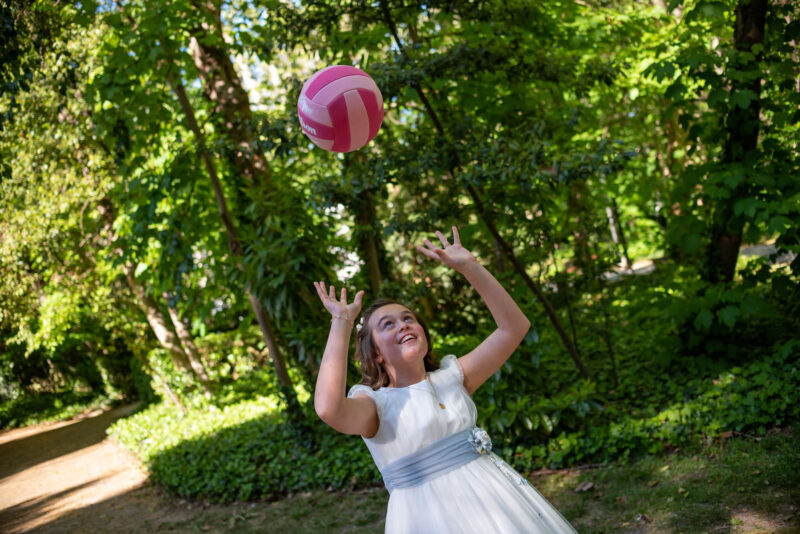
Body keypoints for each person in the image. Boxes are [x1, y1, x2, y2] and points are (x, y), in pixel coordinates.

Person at [313, 226, 577, 533]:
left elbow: (514, 327)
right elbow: (329, 409)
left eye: (408, 318)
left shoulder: (452, 378)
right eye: (388, 324)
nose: (403, 325)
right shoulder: (375, 405)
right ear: (376, 354)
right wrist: (341, 321)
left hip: (497, 509)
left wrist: (471, 267)